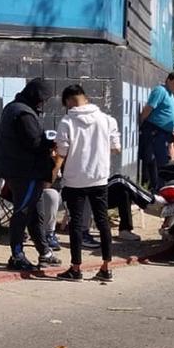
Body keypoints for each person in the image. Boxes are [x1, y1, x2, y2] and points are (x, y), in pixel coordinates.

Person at [0, 77, 60, 273]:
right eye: (43, 99)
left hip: (19, 170)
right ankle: (17, 255)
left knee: (35, 212)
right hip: (25, 171)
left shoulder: (15, 107)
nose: (43, 103)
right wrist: (52, 143)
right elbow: (34, 142)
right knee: (22, 212)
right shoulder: (24, 114)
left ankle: (44, 251)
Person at [53, 85, 121, 282]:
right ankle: (106, 267)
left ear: (67, 102)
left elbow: (62, 152)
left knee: (76, 223)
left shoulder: (67, 121)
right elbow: (116, 148)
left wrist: (54, 172)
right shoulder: (107, 120)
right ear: (86, 97)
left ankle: (75, 268)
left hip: (75, 179)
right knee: (102, 221)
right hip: (99, 177)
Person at [138, 72, 174, 190]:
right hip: (155, 131)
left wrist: (173, 127)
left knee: (161, 160)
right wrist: (142, 121)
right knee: (157, 160)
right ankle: (156, 187)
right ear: (168, 80)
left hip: (165, 133)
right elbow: (150, 107)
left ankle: (158, 186)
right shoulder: (160, 91)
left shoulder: (171, 94)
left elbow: (166, 112)